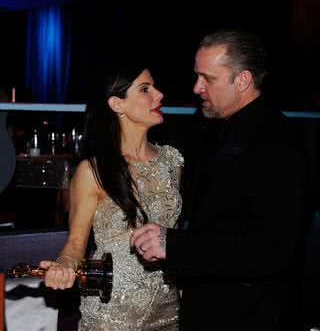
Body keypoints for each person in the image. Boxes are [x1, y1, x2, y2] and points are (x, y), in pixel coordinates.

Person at [131, 29, 311, 331]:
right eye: (197, 76)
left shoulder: (278, 144)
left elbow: (272, 250)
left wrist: (175, 246)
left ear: (242, 80)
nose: (197, 87)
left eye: (208, 79)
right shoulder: (216, 130)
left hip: (249, 317)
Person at [40, 60, 184, 330]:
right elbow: (76, 242)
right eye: (145, 89)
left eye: (155, 87)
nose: (159, 95)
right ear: (117, 104)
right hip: (112, 312)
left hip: (168, 306)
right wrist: (64, 266)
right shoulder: (93, 171)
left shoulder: (172, 162)